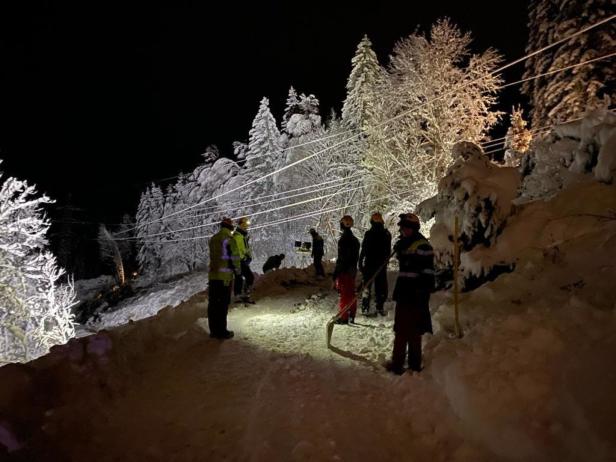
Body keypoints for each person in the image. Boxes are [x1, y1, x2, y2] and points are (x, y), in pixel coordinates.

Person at [386, 213, 435, 374]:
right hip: (404, 293)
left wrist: (422, 294)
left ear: (412, 228)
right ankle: (397, 363)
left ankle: (414, 364)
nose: (402, 231)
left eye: (405, 228)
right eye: (401, 228)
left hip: (415, 295)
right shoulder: (407, 243)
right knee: (400, 329)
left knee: (413, 331)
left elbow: (427, 272)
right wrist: (401, 250)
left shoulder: (423, 246)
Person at [207, 217, 240, 340]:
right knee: (222, 304)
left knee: (213, 304)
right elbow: (235, 258)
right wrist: (238, 271)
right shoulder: (230, 239)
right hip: (225, 278)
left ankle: (213, 331)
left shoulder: (213, 239)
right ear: (230, 228)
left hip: (213, 276)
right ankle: (222, 331)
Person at [359, 212, 392, 317]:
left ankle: (365, 307)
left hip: (369, 264)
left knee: (367, 286)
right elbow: (388, 251)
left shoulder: (369, 234)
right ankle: (380, 307)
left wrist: (360, 262)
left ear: (372, 222)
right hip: (381, 265)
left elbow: (363, 250)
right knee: (381, 286)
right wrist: (385, 261)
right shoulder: (387, 234)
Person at [332, 215, 360, 324]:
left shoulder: (343, 240)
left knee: (344, 294)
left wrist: (336, 273)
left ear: (343, 225)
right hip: (352, 269)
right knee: (351, 293)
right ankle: (352, 315)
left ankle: (344, 317)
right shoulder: (355, 240)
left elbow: (342, 258)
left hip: (344, 270)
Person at [232, 217, 255, 303]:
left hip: (242, 261)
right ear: (241, 225)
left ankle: (242, 294)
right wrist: (244, 258)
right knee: (244, 277)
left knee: (242, 278)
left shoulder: (242, 236)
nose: (246, 228)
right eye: (245, 226)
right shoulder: (237, 236)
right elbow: (236, 250)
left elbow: (244, 249)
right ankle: (240, 295)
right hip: (239, 261)